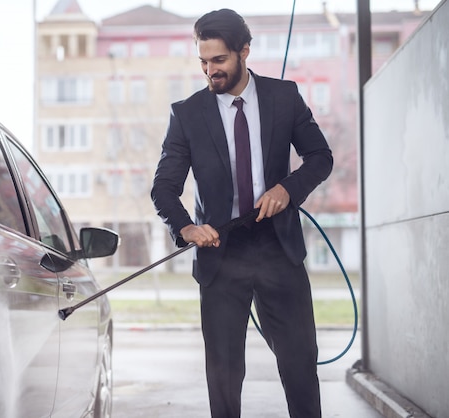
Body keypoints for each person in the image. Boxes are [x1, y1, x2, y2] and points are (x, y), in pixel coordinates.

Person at [150, 8, 333, 418]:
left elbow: (321, 157)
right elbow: (163, 188)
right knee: (225, 378)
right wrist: (186, 228)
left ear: (244, 51)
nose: (210, 70)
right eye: (203, 61)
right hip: (220, 254)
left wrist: (289, 189)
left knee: (300, 367)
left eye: (219, 60)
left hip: (278, 249)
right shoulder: (187, 114)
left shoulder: (284, 97)